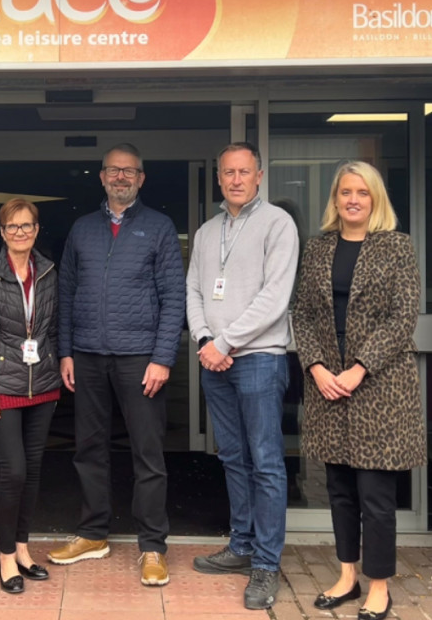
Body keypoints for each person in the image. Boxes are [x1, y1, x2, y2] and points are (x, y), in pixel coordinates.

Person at [47, 143, 186, 587]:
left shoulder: (159, 227)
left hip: (140, 358)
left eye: (129, 171)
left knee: (148, 454)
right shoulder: (82, 228)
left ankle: (152, 546)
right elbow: (65, 293)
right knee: (88, 449)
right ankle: (92, 533)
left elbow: (174, 299)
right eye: (113, 170)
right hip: (86, 355)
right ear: (101, 177)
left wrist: (163, 357)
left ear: (141, 179)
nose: (121, 177)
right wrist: (65, 350)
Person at [291, 161, 425, 620]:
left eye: (362, 193)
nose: (352, 199)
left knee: (375, 495)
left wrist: (360, 368)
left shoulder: (397, 247)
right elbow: (303, 314)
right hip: (328, 388)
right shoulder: (318, 248)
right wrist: (316, 365)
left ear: (375, 199)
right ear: (335, 199)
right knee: (340, 489)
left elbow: (403, 316)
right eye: (345, 192)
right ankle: (347, 576)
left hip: (380, 390)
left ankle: (379, 586)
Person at [185, 142, 299, 610]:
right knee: (233, 457)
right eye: (227, 173)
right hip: (216, 360)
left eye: (243, 172)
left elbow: (275, 298)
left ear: (259, 175)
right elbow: (193, 287)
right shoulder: (207, 231)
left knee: (266, 462)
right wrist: (202, 341)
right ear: (218, 178)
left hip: (258, 359)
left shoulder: (278, 224)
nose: (235, 180)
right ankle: (242, 545)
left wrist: (224, 343)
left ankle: (267, 564)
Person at [0, 198, 61, 594]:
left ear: (37, 230)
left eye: (26, 226)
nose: (20, 233)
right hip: (2, 387)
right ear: (2, 232)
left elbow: (55, 327)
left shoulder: (50, 273)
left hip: (43, 384)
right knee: (15, 471)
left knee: (35, 470)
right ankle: (5, 555)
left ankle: (23, 549)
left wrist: (58, 365)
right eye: (12, 227)